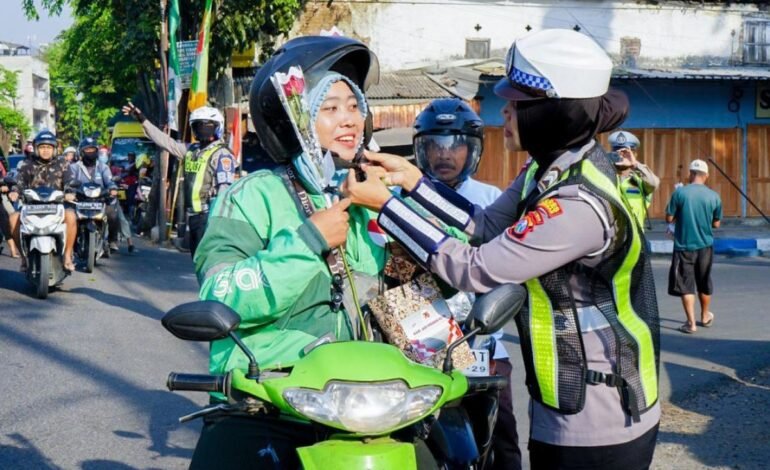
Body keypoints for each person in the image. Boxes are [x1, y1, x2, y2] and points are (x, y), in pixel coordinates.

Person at [346, 29, 661, 469]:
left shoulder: (576, 205)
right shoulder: (551, 168)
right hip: (565, 398)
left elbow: (474, 269)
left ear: (555, 114)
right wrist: (411, 181)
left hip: (599, 416)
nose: (506, 114)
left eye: (517, 105)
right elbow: (487, 223)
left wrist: (386, 206)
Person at [187, 35, 392, 469]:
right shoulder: (251, 196)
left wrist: (404, 197)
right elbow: (219, 295)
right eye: (330, 107)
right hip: (268, 400)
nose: (349, 120)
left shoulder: (374, 196)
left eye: (354, 106)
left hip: (368, 404)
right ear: (297, 118)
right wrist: (307, 242)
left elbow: (447, 272)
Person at [413, 97, 521, 469]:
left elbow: (510, 271)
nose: (444, 155)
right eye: (434, 145)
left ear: (472, 150)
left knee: (503, 433)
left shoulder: (492, 203)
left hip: (482, 342)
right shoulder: (400, 199)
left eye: (455, 145)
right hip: (418, 343)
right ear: (421, 149)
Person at [121, 103, 235, 258]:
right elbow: (165, 142)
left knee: (208, 262)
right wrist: (143, 120)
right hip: (193, 217)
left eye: (206, 126)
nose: (202, 129)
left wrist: (217, 222)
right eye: (198, 126)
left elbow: (224, 190)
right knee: (199, 263)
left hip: (209, 217)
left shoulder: (221, 154)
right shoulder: (191, 151)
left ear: (217, 127)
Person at [8, 130, 77, 272]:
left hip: (56, 206)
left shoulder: (63, 163)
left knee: (71, 215)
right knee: (13, 218)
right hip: (31, 207)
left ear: (54, 149)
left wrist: (70, 192)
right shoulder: (27, 164)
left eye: (49, 147)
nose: (45, 150)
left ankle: (68, 256)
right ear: (36, 148)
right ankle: (24, 258)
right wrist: (15, 191)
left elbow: (70, 181)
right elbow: (19, 182)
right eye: (42, 147)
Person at [665, 159, 721, 334]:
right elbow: (716, 224)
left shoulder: (680, 193)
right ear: (706, 176)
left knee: (686, 284)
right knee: (704, 281)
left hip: (684, 246)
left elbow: (669, 218)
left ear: (690, 174)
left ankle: (691, 323)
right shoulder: (714, 196)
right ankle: (705, 316)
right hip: (705, 246)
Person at [68, 137, 122, 252]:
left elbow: (110, 181)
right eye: (87, 150)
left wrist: (112, 188)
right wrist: (69, 191)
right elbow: (69, 182)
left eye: (93, 150)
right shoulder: (74, 167)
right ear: (81, 152)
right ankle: (70, 246)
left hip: (100, 201)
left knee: (112, 214)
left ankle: (112, 240)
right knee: (68, 217)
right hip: (80, 201)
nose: (90, 152)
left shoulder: (103, 167)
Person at [608, 131, 659, 230]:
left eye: (626, 153)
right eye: (618, 152)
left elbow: (653, 184)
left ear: (634, 154)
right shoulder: (605, 177)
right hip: (609, 239)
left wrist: (635, 165)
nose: (622, 156)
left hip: (635, 239)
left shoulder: (640, 180)